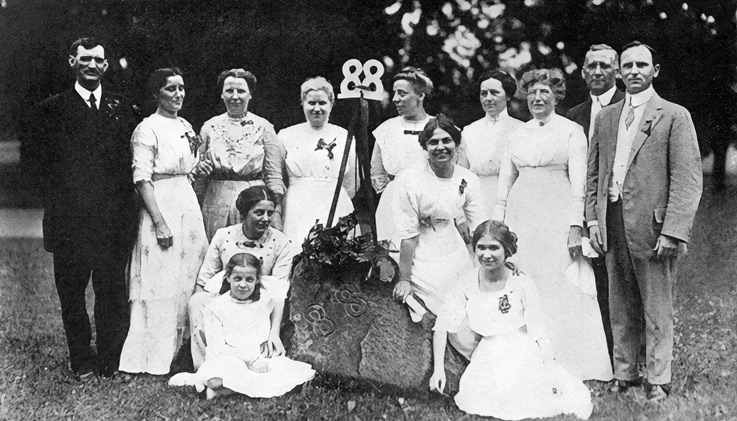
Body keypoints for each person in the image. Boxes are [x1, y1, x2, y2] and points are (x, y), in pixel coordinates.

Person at [586, 41, 702, 401]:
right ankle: (625, 371)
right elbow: (594, 175)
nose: (634, 71)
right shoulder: (606, 117)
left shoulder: (673, 115)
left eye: (642, 64)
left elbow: (687, 179)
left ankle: (658, 377)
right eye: (628, 65)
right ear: (619, 72)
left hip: (653, 225)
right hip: (612, 218)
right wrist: (593, 220)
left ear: (655, 71)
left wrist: (673, 230)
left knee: (656, 303)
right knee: (619, 299)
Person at [20, 37, 139, 380]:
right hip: (69, 222)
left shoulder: (123, 108)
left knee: (111, 292)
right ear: (72, 61)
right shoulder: (50, 110)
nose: (92, 65)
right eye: (85, 59)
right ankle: (81, 358)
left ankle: (109, 359)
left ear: (105, 66)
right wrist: (61, 200)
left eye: (98, 60)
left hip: (113, 221)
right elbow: (34, 168)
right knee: (72, 294)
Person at [493, 68, 612, 381]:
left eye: (544, 92)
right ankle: (528, 361)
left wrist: (576, 225)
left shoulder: (572, 131)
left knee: (560, 282)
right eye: (532, 93)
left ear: (557, 96)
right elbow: (504, 184)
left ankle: (572, 361)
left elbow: (580, 183)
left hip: (557, 213)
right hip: (522, 217)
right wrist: (498, 224)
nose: (537, 98)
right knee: (525, 280)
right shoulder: (515, 135)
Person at [430, 221, 593, 420]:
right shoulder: (466, 283)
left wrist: (548, 364)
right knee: (479, 396)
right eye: (481, 247)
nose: (486, 254)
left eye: (494, 248)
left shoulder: (521, 281)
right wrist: (439, 369)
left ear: (506, 250)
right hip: (487, 353)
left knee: (523, 396)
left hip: (521, 349)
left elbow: (538, 327)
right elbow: (443, 324)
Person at [118, 68, 209, 375]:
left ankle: (183, 353)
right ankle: (151, 356)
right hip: (161, 204)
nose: (178, 94)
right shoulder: (147, 129)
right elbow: (142, 179)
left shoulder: (185, 125)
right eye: (170, 89)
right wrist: (159, 222)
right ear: (156, 93)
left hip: (187, 203)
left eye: (182, 88)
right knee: (161, 279)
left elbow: (190, 168)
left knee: (188, 275)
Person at [392, 115, 486, 357]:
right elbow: (408, 236)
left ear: (456, 144)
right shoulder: (410, 179)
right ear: (424, 147)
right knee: (445, 310)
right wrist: (404, 279)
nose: (441, 147)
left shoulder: (468, 179)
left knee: (470, 307)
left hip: (452, 247)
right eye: (433, 142)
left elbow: (480, 227)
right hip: (422, 251)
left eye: (447, 141)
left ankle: (485, 358)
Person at [169, 253, 315, 399]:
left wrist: (273, 333)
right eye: (237, 279)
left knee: (290, 372)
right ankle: (217, 384)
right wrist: (250, 360)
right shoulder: (216, 308)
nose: (243, 285)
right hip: (229, 356)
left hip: (260, 354)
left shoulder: (265, 300)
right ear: (228, 277)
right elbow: (217, 349)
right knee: (219, 376)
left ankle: (227, 389)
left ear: (257, 280)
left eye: (249, 279)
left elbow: (278, 299)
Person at [188, 185, 295, 369]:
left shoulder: (281, 243)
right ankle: (205, 366)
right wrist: (204, 314)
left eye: (270, 213)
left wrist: (274, 333)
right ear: (245, 212)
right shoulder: (224, 236)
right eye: (259, 213)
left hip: (257, 305)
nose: (265, 219)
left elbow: (278, 293)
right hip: (225, 300)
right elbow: (205, 280)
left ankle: (249, 362)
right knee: (197, 301)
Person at [565, 44, 626, 361]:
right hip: (584, 210)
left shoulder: (629, 107)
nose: (598, 72)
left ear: (617, 71)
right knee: (590, 281)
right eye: (592, 66)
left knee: (622, 284)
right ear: (583, 72)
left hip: (620, 211)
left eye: (605, 65)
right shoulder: (573, 115)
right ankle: (596, 351)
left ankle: (629, 354)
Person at [198, 69, 285, 240]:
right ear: (222, 94)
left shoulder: (264, 127)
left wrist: (276, 211)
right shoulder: (209, 127)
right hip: (217, 199)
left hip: (255, 199)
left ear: (250, 94)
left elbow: (274, 175)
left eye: (241, 91)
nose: (235, 96)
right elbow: (199, 176)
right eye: (229, 91)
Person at [279, 77, 358, 243]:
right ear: (303, 103)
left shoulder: (344, 136)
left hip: (335, 204)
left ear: (331, 104)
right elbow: (278, 177)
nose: (317, 109)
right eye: (311, 103)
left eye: (322, 103)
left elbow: (352, 182)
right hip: (297, 206)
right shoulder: (287, 135)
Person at [371, 67, 434, 252]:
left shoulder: (438, 127)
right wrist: (389, 195)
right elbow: (377, 170)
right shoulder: (386, 129)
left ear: (420, 95)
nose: (396, 99)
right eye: (394, 93)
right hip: (393, 202)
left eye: (402, 93)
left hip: (431, 201)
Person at [457, 69, 524, 213]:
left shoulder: (521, 130)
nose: (488, 98)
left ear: (507, 96)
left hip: (512, 200)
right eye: (483, 93)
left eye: (494, 92)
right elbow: (462, 174)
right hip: (476, 201)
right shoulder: (469, 131)